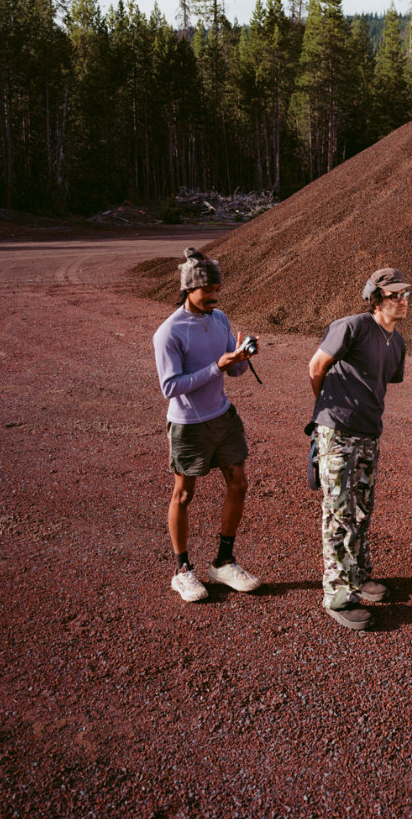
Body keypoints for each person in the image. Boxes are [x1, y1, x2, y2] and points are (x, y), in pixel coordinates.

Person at [152, 247, 262, 603]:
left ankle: (224, 561)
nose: (215, 296)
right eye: (208, 290)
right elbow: (170, 387)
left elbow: (236, 369)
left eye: (218, 289)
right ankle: (183, 570)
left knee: (239, 483)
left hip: (222, 416)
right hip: (188, 425)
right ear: (189, 289)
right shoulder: (169, 332)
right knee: (184, 495)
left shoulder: (220, 319)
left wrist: (242, 357)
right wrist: (218, 365)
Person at [308, 268, 411, 631]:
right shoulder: (352, 326)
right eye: (394, 295)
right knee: (338, 510)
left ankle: (359, 575)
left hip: (369, 432)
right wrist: (327, 411)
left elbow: (386, 381)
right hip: (337, 430)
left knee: (362, 507)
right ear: (377, 298)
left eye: (405, 294)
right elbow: (317, 365)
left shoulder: (397, 342)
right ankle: (337, 594)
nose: (402, 301)